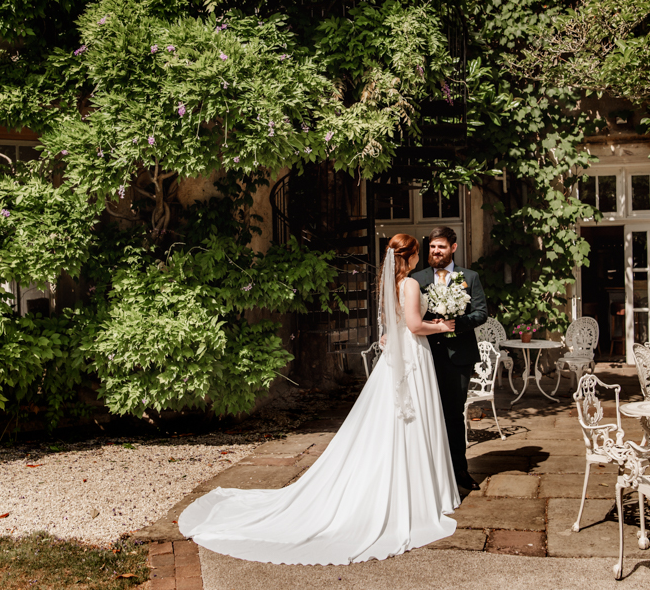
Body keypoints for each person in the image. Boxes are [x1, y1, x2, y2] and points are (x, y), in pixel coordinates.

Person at [178, 234, 460, 565]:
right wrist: (442, 326)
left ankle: (402, 485)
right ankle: (416, 493)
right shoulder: (410, 283)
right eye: (418, 252)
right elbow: (412, 325)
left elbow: (394, 325)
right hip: (412, 357)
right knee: (411, 419)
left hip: (398, 358)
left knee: (391, 422)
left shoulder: (390, 284)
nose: (420, 257)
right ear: (410, 256)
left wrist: (393, 334)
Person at [411, 226, 488, 492]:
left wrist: (456, 323)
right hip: (426, 355)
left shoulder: (470, 277)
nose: (436, 251)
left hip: (459, 357)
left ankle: (459, 471)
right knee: (425, 413)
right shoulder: (417, 278)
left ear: (453, 248)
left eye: (441, 247)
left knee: (453, 414)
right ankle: (429, 472)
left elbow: (481, 313)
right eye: (432, 247)